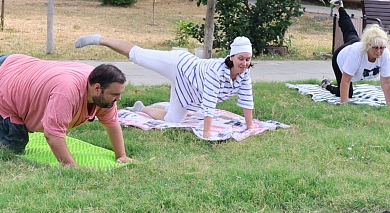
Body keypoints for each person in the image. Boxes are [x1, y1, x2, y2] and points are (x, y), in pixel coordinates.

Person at [0, 19, 130, 166]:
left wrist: (121, 156)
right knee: (11, 146)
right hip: (4, 90)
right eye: (115, 95)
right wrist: (72, 167)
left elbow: (112, 123)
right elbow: (53, 136)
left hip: (15, 63)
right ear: (96, 88)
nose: (118, 99)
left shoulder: (101, 88)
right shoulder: (68, 93)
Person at [73, 33, 254, 140]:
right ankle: (100, 39)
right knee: (138, 54)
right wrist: (207, 132)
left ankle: (142, 108)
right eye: (240, 58)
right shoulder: (216, 71)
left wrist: (250, 126)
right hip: (179, 65)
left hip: (188, 90)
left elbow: (247, 99)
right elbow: (209, 102)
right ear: (231, 57)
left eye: (247, 59)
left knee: (171, 121)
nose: (244, 63)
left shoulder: (244, 74)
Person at [326, 1, 390, 105]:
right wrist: (345, 103)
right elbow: (346, 80)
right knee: (348, 93)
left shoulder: (385, 54)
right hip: (340, 56)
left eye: (382, 48)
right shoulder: (356, 53)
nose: (379, 51)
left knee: (350, 31)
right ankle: (326, 85)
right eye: (375, 48)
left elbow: (386, 82)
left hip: (356, 43)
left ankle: (340, 7)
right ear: (367, 46)